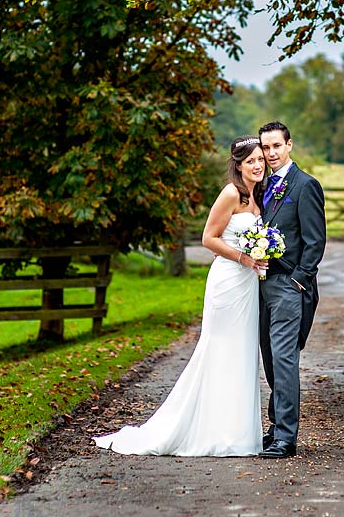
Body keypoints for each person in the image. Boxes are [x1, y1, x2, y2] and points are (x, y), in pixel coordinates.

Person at [92, 135, 269, 456]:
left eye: (260, 159)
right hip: (228, 283)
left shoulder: (259, 194)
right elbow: (208, 238)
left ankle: (238, 433)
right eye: (251, 161)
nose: (258, 165)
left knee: (243, 354)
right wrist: (244, 257)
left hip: (248, 285)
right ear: (238, 165)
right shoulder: (231, 193)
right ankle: (210, 431)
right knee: (220, 351)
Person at [257, 121, 326, 459]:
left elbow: (315, 240)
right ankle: (275, 427)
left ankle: (286, 436)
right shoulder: (261, 186)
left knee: (284, 360)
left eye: (275, 146)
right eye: (265, 147)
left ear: (289, 145)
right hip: (260, 286)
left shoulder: (305, 185)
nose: (270, 153)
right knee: (269, 359)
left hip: (289, 286)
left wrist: (299, 279)